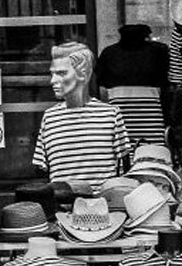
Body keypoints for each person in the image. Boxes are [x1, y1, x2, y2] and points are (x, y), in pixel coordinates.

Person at [33, 42, 130, 196]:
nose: (53, 80)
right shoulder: (49, 118)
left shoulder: (110, 115)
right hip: (62, 207)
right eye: (52, 74)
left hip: (101, 206)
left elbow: (124, 168)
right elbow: (42, 170)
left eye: (62, 73)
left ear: (83, 74)